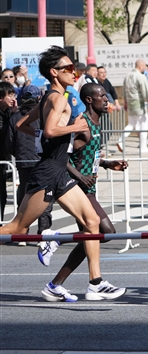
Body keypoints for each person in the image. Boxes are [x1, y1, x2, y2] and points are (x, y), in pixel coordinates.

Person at [1, 46, 125, 300]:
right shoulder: (57, 99)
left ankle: (96, 282)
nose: (74, 72)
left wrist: (44, 138)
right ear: (54, 72)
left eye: (74, 67)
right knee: (17, 228)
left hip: (60, 172)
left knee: (92, 222)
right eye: (68, 68)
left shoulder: (50, 97)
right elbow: (49, 130)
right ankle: (56, 245)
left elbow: (23, 124)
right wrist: (74, 127)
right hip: (48, 172)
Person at [37, 83, 129, 302]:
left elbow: (88, 154)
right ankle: (56, 240)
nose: (106, 100)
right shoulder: (81, 123)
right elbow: (62, 157)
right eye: (102, 97)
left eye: (106, 97)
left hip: (89, 188)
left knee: (89, 239)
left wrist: (107, 164)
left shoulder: (97, 124)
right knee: (105, 230)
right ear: (89, 100)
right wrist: (79, 176)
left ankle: (55, 285)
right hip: (76, 188)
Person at [8, 87, 40, 226]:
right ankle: (43, 229)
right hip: (40, 160)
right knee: (43, 193)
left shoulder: (15, 117)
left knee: (24, 194)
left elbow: (9, 143)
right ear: (38, 98)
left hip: (23, 159)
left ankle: (22, 229)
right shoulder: (42, 115)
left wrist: (18, 154)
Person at [116, 59, 148, 153]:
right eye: (144, 66)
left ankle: (120, 140)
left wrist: (125, 102)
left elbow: (124, 91)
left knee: (131, 124)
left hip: (129, 103)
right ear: (141, 66)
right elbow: (145, 91)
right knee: (143, 125)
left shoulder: (127, 76)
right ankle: (143, 147)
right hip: (139, 103)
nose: (144, 68)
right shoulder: (140, 76)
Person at [0, 81, 17, 221]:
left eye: (13, 95)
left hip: (3, 158)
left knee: (2, 194)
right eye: (9, 95)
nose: (13, 98)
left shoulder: (8, 113)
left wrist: (13, 114)